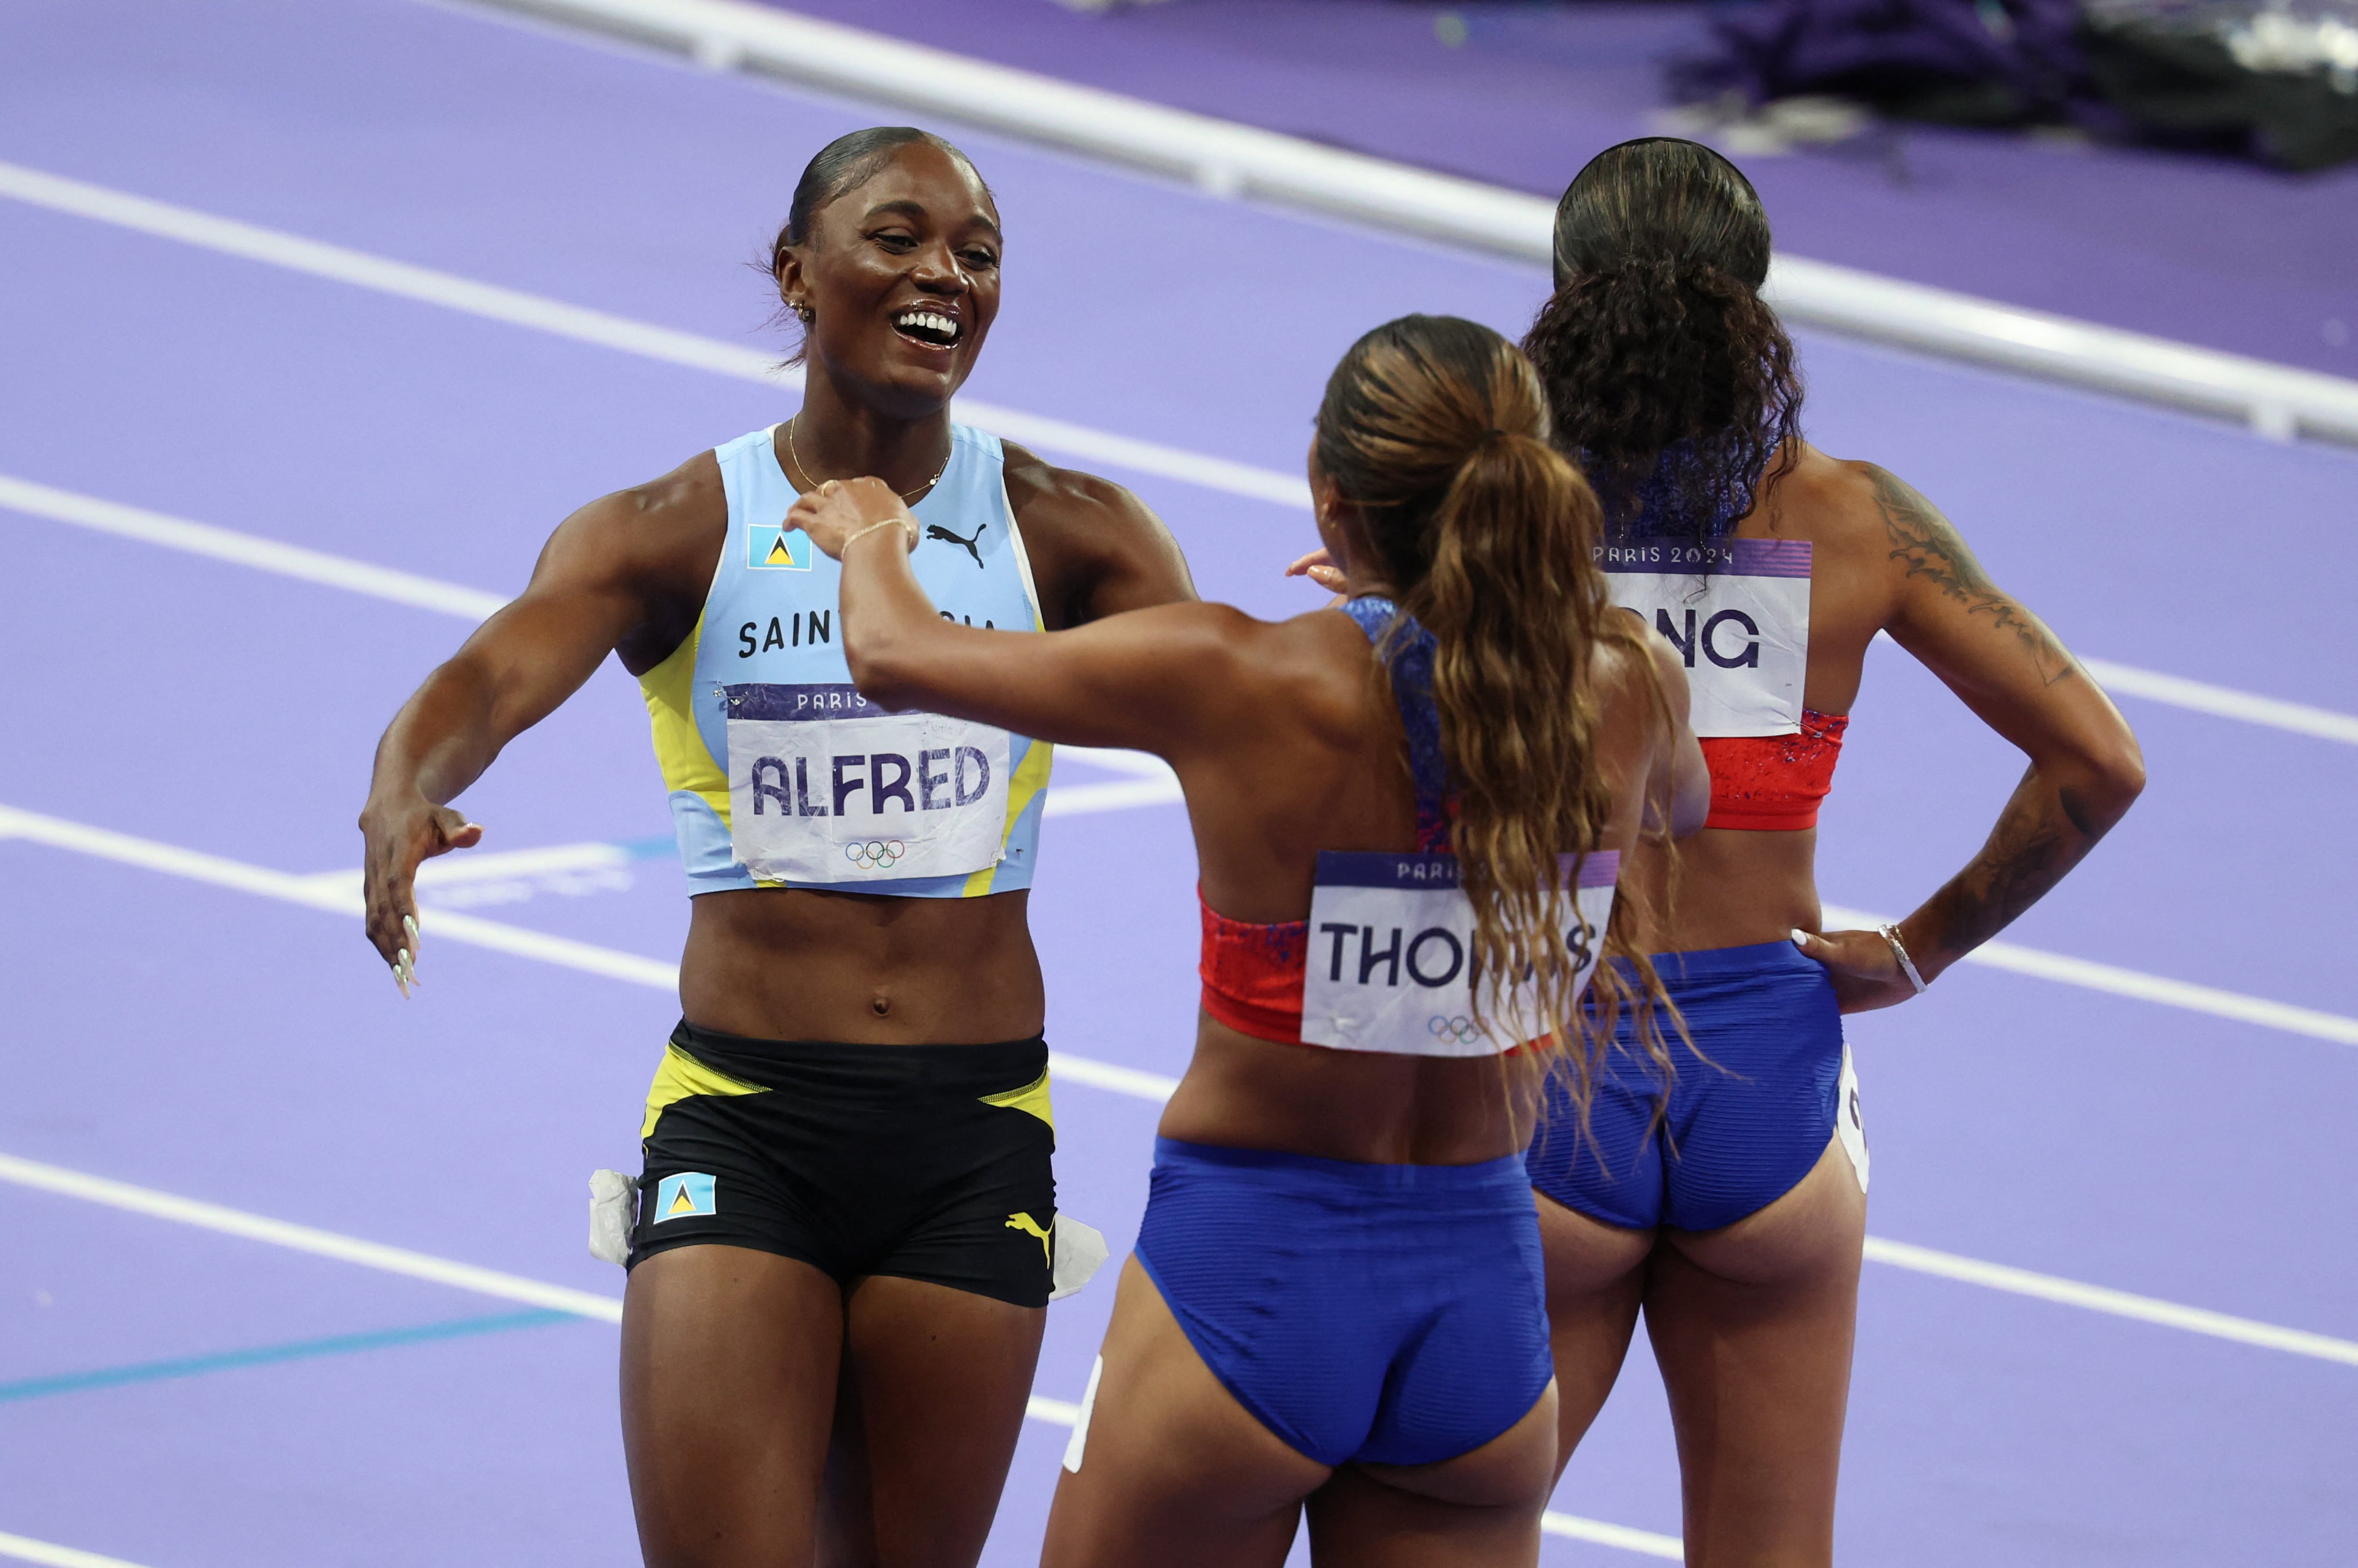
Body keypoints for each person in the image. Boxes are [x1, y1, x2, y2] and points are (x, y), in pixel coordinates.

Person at [356, 126, 1195, 1568]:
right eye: (899, 236)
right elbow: (491, 678)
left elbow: (1235, 718)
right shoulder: (681, 530)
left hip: (973, 1131)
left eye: (978, 254)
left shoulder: (1070, 535)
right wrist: (406, 786)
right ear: (799, 275)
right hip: (745, 1120)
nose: (944, 272)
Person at [782, 313, 1709, 1568]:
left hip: (1255, 1280)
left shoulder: (1237, 676)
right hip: (1481, 1308)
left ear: (1332, 501)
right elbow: (1684, 805)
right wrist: (1473, 630)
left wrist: (877, 535)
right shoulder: (1629, 682)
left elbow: (895, 654)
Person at [1514, 137, 2147, 1563]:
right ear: (1756, 305)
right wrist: (1917, 951)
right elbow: (2099, 763)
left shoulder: (1490, 512)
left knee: (1442, 1535)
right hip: (1772, 1077)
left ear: (1563, 297)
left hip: (1545, 1061)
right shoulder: (1858, 522)